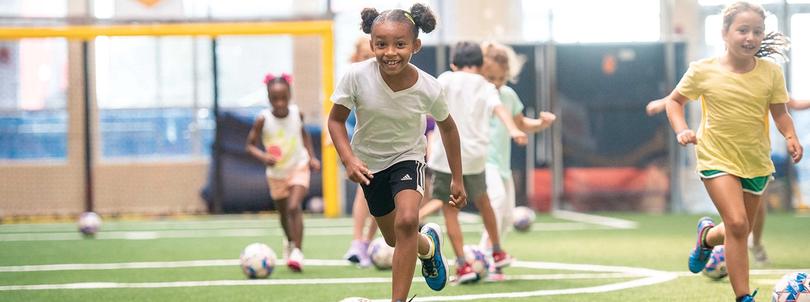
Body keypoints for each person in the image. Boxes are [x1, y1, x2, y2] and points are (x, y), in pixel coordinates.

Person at [655, 2, 803, 301]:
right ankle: (743, 297)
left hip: (756, 162)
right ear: (725, 32)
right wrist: (682, 129)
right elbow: (674, 102)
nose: (750, 37)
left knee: (740, 229)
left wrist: (790, 135)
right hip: (716, 157)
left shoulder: (772, 73)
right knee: (737, 223)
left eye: (757, 32)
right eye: (743, 30)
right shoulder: (702, 70)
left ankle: (706, 237)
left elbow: (780, 113)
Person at [328, 4, 466, 301]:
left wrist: (458, 178)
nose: (390, 52)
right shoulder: (355, 76)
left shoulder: (429, 87)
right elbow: (335, 120)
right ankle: (427, 247)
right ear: (371, 45)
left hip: (408, 157)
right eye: (382, 44)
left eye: (400, 44)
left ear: (415, 45)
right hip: (368, 164)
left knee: (406, 221)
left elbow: (449, 129)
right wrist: (349, 159)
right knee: (393, 238)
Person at [648, 93, 810, 267]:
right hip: (721, 154)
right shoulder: (714, 70)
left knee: (753, 212)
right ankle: (723, 248)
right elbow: (685, 91)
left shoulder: (765, 74)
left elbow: (791, 103)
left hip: (755, 155)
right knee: (737, 220)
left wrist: (791, 135)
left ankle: (753, 243)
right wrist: (664, 102)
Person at [426, 41, 528, 284]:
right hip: (475, 157)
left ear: (453, 63)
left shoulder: (445, 79)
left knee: (450, 211)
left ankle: (462, 265)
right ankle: (497, 249)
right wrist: (514, 130)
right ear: (481, 65)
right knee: (485, 203)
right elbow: (500, 110)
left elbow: (426, 106)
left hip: (446, 159)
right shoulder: (485, 85)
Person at [477, 41, 556, 280]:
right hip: (483, 160)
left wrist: (541, 124)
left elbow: (521, 123)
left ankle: (492, 259)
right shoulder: (477, 95)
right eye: (490, 77)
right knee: (497, 202)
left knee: (507, 216)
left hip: (503, 164)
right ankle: (483, 255)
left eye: (501, 78)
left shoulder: (509, 95)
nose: (495, 83)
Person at [245, 73, 321, 272]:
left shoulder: (297, 114)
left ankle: (297, 251)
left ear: (290, 95)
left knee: (294, 206)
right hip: (276, 172)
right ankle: (289, 240)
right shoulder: (263, 119)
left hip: (299, 166)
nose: (279, 102)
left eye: (283, 97)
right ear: (268, 98)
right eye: (274, 98)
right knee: (283, 213)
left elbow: (304, 135)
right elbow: (249, 145)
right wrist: (263, 157)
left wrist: (312, 157)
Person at [342, 36, 380, 268]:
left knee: (385, 199)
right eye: (365, 57)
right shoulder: (354, 79)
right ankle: (357, 242)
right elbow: (342, 115)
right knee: (363, 192)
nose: (370, 61)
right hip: (364, 145)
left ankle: (368, 241)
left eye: (372, 55)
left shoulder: (388, 78)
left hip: (389, 145)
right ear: (356, 59)